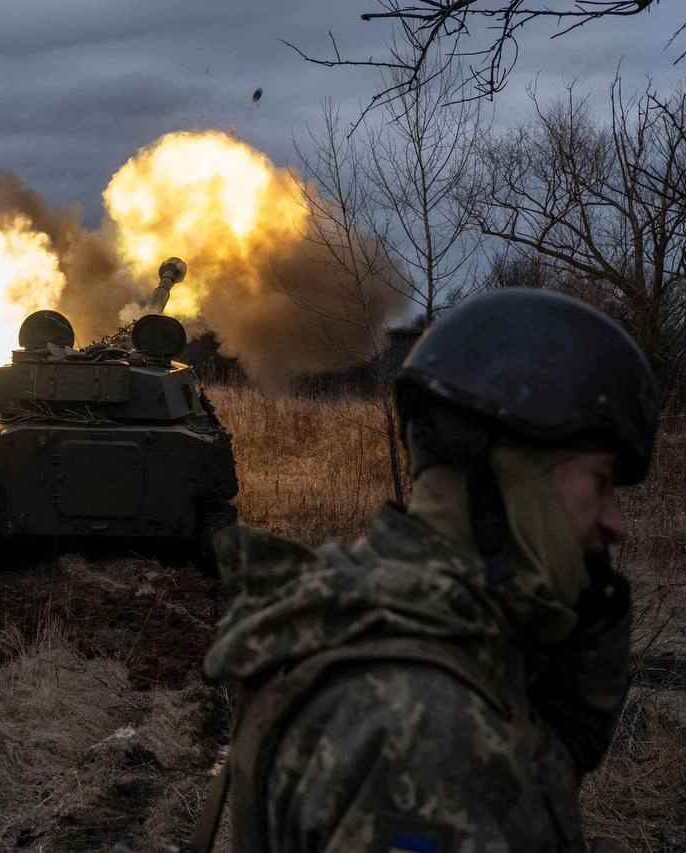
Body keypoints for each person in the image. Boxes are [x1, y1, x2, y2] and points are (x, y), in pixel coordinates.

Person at [197, 288, 658, 853]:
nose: (617, 525)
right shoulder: (427, 731)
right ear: (511, 474)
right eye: (602, 482)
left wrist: (588, 626)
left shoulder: (370, 614)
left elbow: (562, 749)